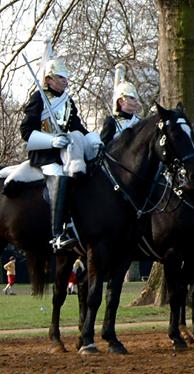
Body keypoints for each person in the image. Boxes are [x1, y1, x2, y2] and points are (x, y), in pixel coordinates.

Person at [19, 49, 92, 252]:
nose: (65, 81)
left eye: (66, 78)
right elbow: (26, 131)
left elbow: (76, 126)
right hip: (44, 155)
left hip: (65, 152)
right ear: (49, 79)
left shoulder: (68, 101)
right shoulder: (38, 98)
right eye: (60, 77)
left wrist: (92, 139)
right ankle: (58, 233)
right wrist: (51, 141)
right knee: (59, 176)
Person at [99, 64, 141, 146]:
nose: (136, 101)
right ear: (121, 102)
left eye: (135, 98)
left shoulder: (139, 122)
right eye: (132, 98)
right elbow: (104, 147)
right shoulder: (111, 122)